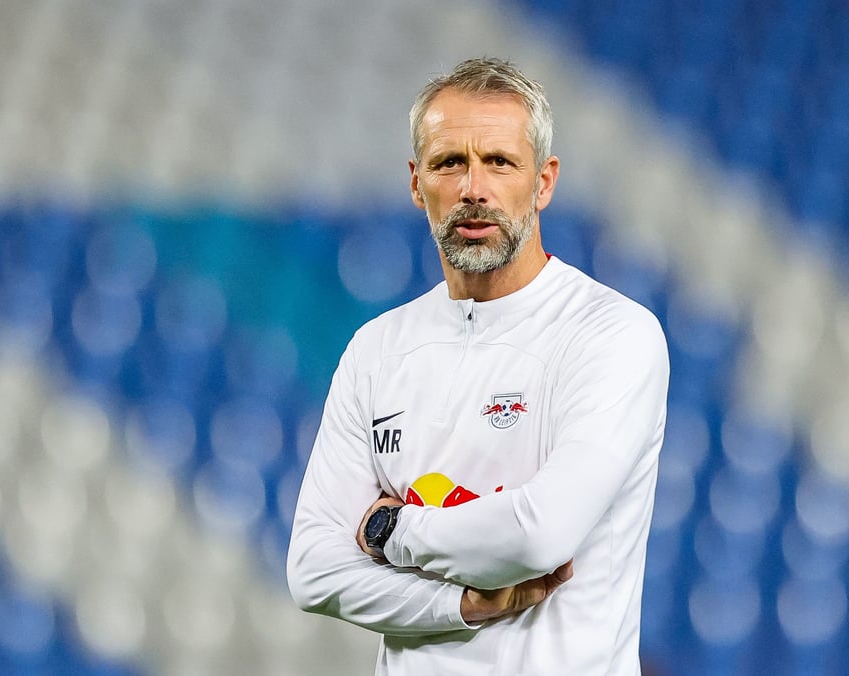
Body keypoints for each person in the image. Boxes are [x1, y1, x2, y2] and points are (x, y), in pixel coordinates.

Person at [286, 57, 669, 675]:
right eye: (448, 163)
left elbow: (539, 534)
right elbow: (312, 569)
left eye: (499, 161)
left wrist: (390, 532)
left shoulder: (612, 334)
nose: (473, 188)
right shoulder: (377, 348)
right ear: (416, 183)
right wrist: (461, 603)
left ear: (543, 182)